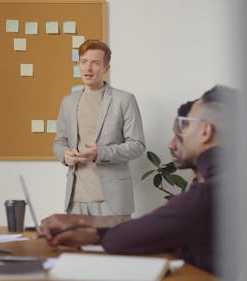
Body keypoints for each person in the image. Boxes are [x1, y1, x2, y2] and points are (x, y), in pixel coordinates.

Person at [42, 85, 234, 273]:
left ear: (205, 132)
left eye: (185, 126)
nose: (172, 142)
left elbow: (141, 233)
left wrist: (87, 227)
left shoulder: (210, 192)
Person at [53, 40, 145, 220]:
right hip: (75, 201)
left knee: (113, 249)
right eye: (84, 61)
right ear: (78, 64)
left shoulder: (123, 100)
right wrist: (64, 154)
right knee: (75, 249)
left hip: (112, 201)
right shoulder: (68, 102)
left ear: (106, 67)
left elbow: (137, 145)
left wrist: (100, 153)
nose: (88, 68)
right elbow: (59, 141)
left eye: (95, 63)